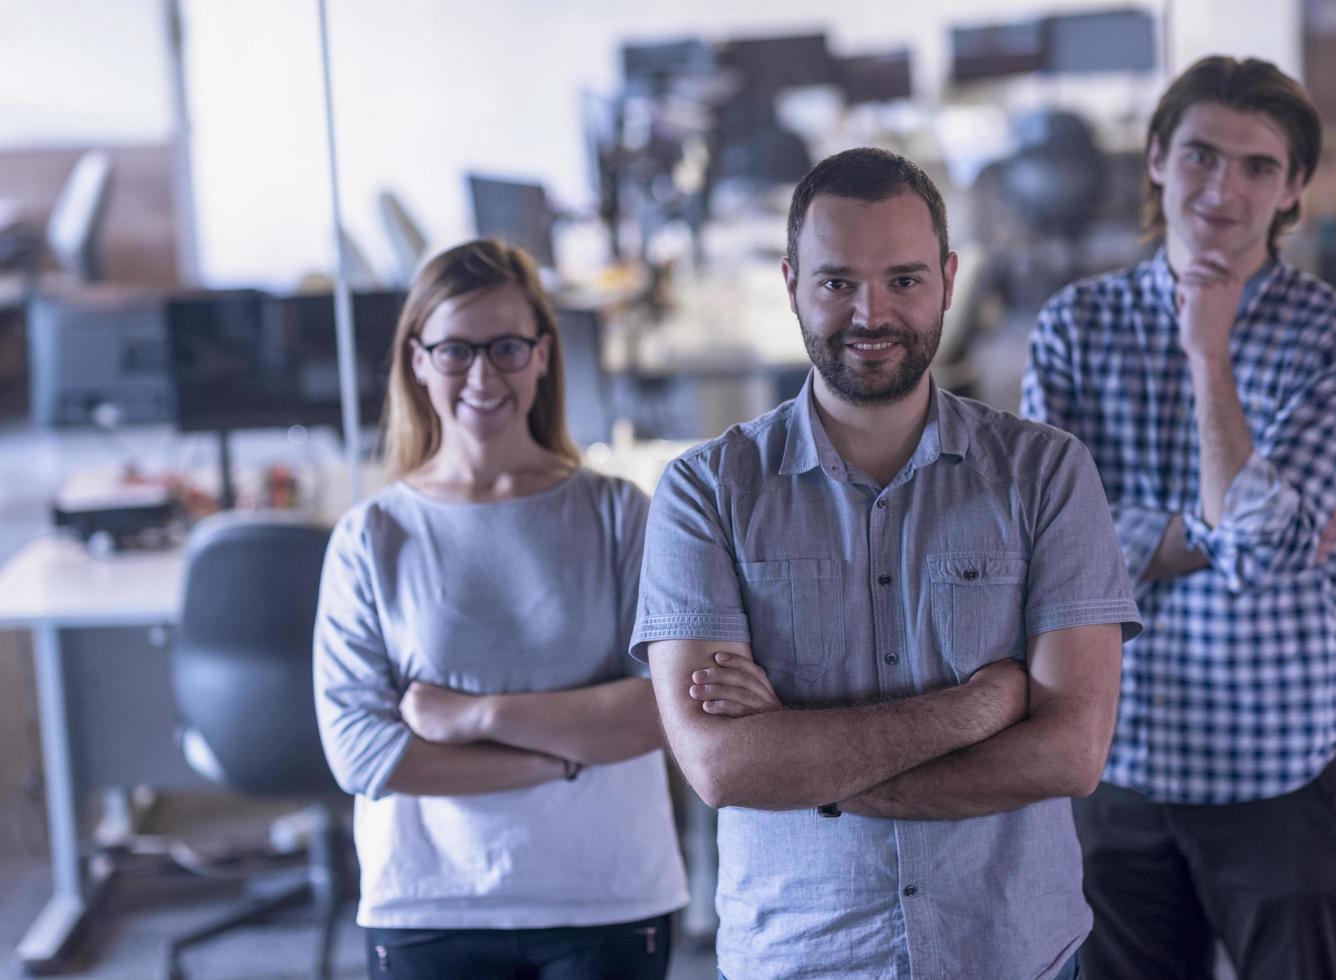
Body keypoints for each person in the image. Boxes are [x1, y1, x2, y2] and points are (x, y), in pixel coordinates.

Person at [632, 147, 1142, 980]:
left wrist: (805, 767)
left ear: (946, 277)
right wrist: (982, 709)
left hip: (1013, 955)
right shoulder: (705, 492)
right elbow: (723, 766)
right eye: (838, 283)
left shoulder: (1047, 473)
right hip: (802, 959)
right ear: (792, 282)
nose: (872, 313)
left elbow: (1070, 755)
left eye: (903, 280)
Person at [1022, 56, 1336, 980]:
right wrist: (1229, 531)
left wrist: (1206, 353)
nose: (1224, 188)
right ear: (1155, 158)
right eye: (1200, 155)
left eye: (1259, 165)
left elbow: (1259, 557)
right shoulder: (1073, 326)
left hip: (1274, 764)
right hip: (1115, 752)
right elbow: (1048, 553)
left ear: (1294, 185)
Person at [313, 239, 688, 979]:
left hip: (606, 896)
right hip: (429, 903)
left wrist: (475, 718)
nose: (483, 375)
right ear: (417, 359)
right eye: (455, 350)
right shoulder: (372, 535)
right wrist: (564, 755)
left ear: (543, 355)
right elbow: (362, 752)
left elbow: (663, 711)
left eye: (508, 347)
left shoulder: (620, 514)